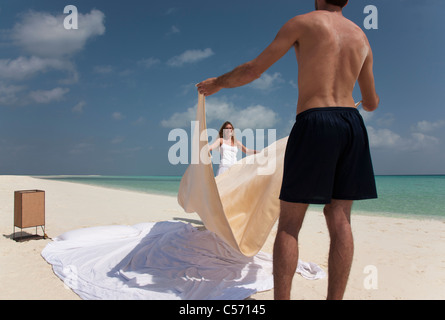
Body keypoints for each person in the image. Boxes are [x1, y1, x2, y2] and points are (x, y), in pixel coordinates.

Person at [197, 0, 379, 300]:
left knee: (290, 223)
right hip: (352, 125)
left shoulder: (303, 22)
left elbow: (254, 70)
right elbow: (371, 102)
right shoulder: (362, 37)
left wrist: (218, 82)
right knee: (341, 219)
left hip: (315, 121)